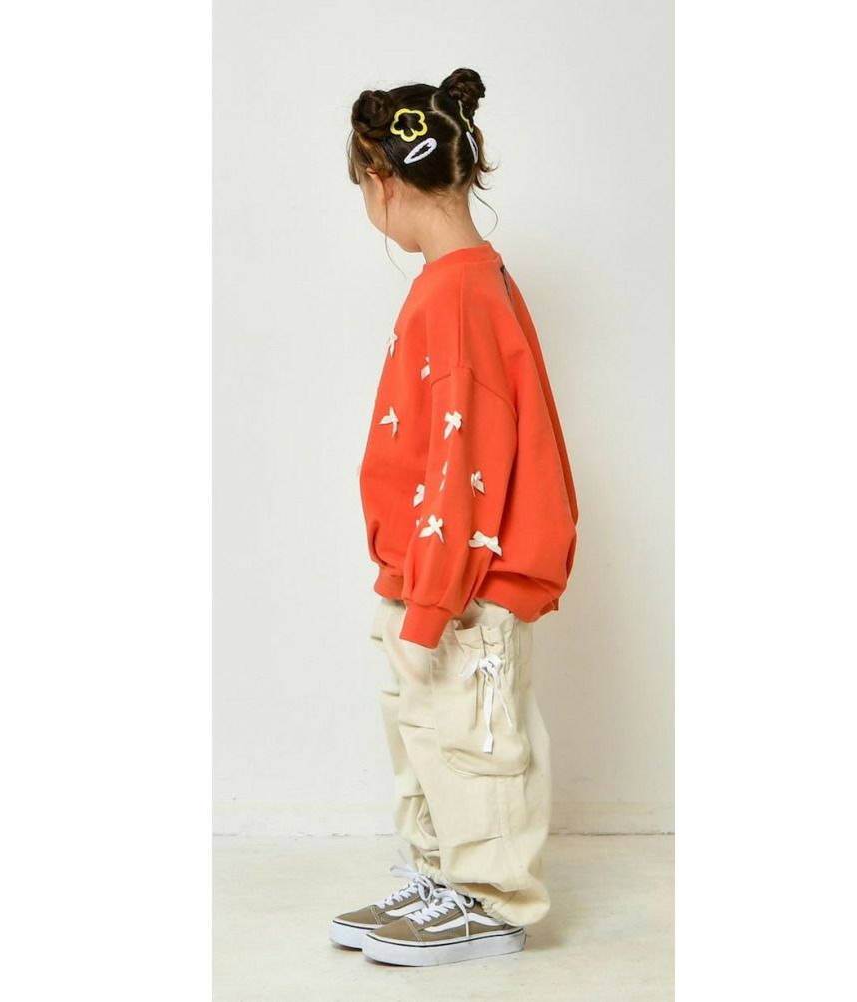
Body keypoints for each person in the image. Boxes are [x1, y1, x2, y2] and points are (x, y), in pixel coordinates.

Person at [328, 67, 579, 967]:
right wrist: (412, 587)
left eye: (363, 187)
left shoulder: (460, 292)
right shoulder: (456, 282)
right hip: (431, 571)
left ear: (382, 180)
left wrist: (432, 601)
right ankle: (443, 876)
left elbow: (463, 459)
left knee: (474, 736)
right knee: (429, 730)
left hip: (464, 579)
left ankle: (492, 898)